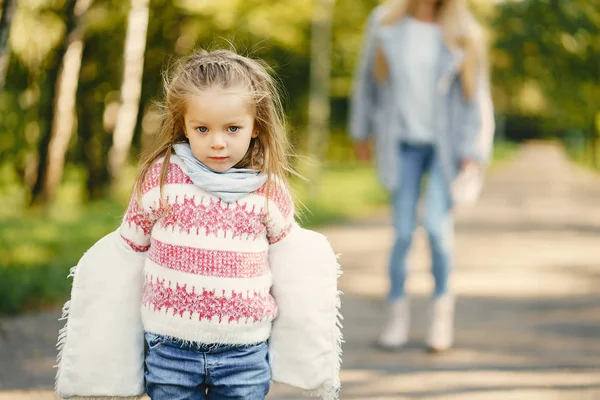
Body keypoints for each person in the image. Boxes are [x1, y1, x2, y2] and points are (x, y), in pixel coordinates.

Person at [56, 49, 342, 400]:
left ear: (256, 127)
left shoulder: (268, 190)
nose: (217, 142)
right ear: (184, 125)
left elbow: (290, 266)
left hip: (245, 349)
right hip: (170, 347)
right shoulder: (161, 179)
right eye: (202, 128)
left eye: (232, 128)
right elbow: (127, 252)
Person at [349, 0, 494, 352]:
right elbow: (366, 78)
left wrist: (473, 151)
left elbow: (478, 99)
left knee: (435, 229)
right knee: (401, 233)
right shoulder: (384, 22)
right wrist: (360, 129)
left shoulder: (464, 32)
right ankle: (396, 318)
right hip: (401, 143)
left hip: (447, 147)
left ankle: (440, 316)